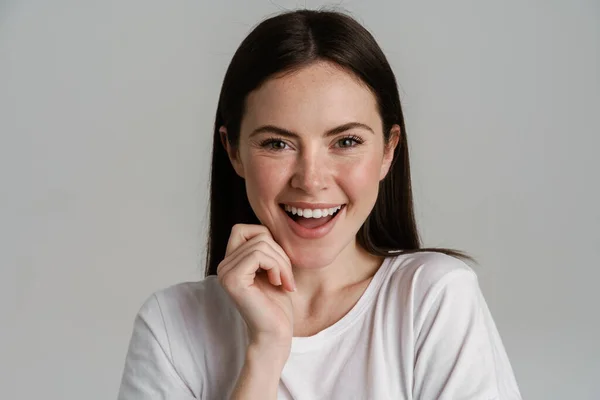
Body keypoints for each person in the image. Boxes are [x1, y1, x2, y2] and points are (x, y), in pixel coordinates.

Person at [117, 9, 522, 400]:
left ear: (388, 150)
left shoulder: (433, 297)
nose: (310, 180)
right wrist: (266, 351)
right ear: (234, 151)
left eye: (346, 142)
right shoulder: (171, 326)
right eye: (277, 143)